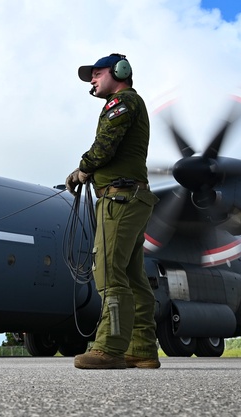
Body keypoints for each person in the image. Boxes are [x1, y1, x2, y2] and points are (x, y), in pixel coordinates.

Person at [65, 53, 160, 370]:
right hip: (133, 198)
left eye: (97, 73)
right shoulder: (130, 104)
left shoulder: (121, 103)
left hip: (119, 199)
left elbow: (104, 147)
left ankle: (110, 348)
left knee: (107, 271)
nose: (92, 79)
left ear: (119, 72)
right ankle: (141, 348)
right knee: (133, 277)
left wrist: (82, 169)